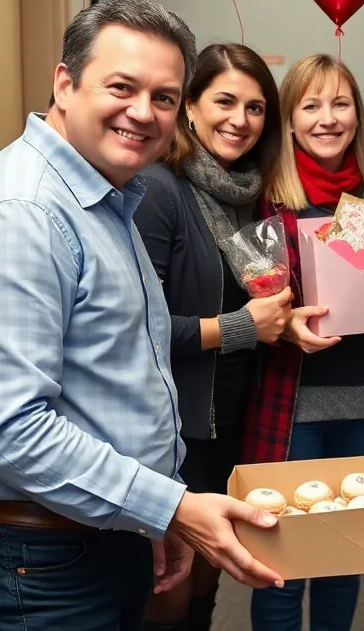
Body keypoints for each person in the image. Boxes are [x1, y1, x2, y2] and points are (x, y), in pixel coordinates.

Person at [0, 0, 285, 631]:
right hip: (31, 564)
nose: (143, 112)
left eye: (165, 97)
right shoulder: (22, 215)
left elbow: (112, 382)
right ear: (64, 84)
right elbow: (14, 432)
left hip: (94, 533)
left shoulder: (107, 198)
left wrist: (144, 517)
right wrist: (169, 507)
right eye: (122, 87)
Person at [244, 53, 364, 631]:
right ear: (291, 120)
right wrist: (285, 321)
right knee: (283, 560)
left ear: (358, 115)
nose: (328, 118)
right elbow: (247, 293)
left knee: (344, 555)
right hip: (291, 405)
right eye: (312, 105)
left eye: (341, 103)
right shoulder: (268, 194)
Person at [135, 43, 294, 631]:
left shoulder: (254, 194)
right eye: (224, 101)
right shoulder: (160, 190)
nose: (240, 120)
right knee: (170, 589)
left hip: (236, 416)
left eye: (256, 108)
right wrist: (241, 328)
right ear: (191, 108)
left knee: (209, 577)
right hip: (175, 427)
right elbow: (135, 330)